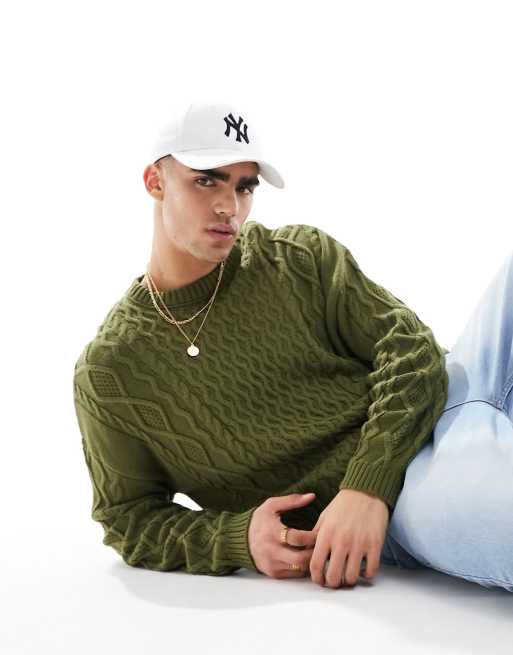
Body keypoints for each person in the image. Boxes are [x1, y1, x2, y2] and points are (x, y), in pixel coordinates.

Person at [72, 101, 513, 592]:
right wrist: (238, 539)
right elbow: (128, 517)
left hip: (460, 392)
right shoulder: (113, 370)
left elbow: (411, 349)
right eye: (207, 181)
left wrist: (365, 484)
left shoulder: (296, 259)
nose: (229, 206)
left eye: (244, 187)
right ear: (156, 181)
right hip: (414, 495)